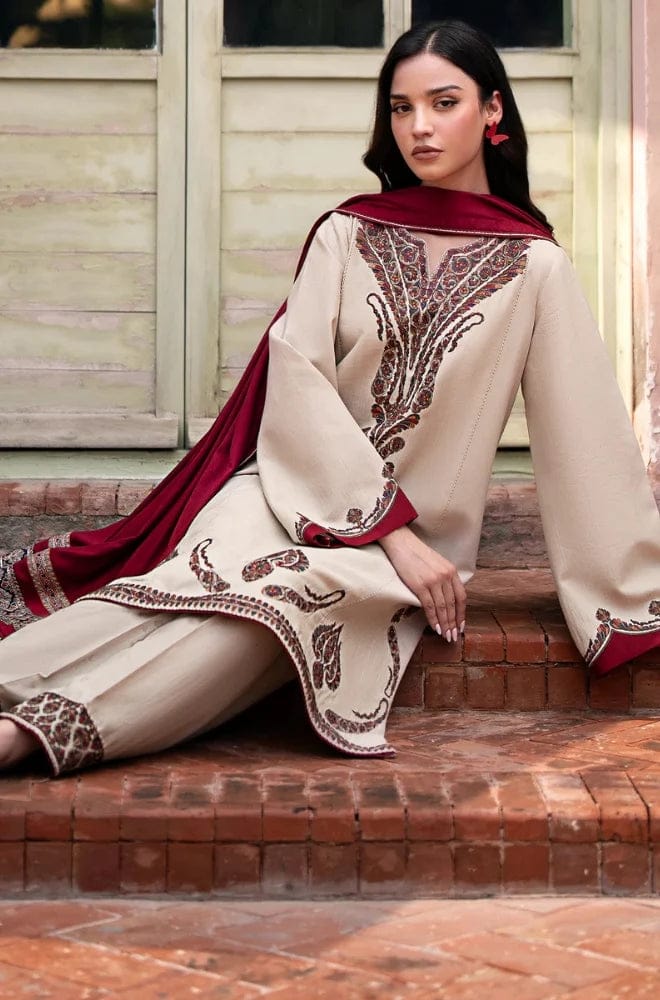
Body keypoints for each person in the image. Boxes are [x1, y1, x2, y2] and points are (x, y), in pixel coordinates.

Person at [1, 20, 658, 775]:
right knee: (185, 585)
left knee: (268, 613)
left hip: (414, 543)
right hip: (286, 493)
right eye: (401, 108)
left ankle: (29, 733)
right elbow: (299, 383)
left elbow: (585, 438)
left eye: (443, 103)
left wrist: (630, 591)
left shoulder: (535, 267)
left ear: (492, 111)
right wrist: (388, 531)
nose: (419, 127)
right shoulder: (348, 234)